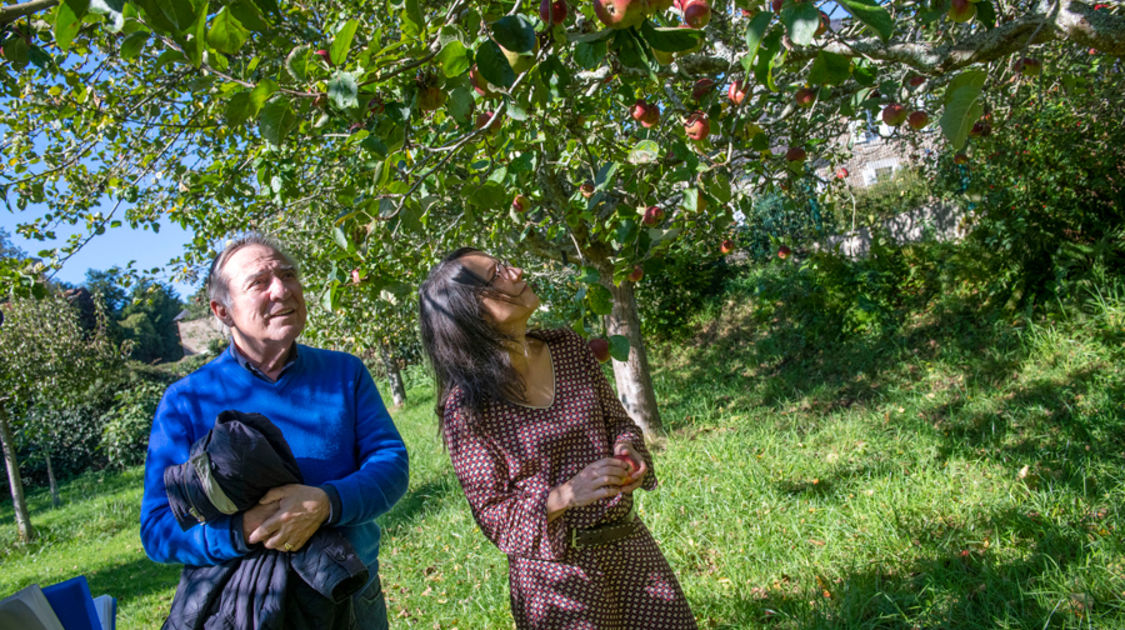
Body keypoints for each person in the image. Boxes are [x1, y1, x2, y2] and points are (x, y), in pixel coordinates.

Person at [418, 248, 697, 629]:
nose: (515, 270)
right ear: (470, 309)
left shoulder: (567, 349)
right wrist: (564, 496)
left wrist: (627, 448)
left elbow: (619, 422)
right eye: (496, 273)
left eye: (505, 262)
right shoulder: (468, 409)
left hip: (630, 548)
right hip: (556, 580)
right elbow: (494, 516)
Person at [140, 234, 409, 629]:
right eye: (259, 283)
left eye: (288, 275)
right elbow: (158, 528)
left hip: (348, 590)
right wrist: (244, 530)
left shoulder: (344, 373)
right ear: (222, 311)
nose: (281, 289)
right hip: (246, 604)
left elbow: (390, 463)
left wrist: (326, 503)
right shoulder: (187, 401)